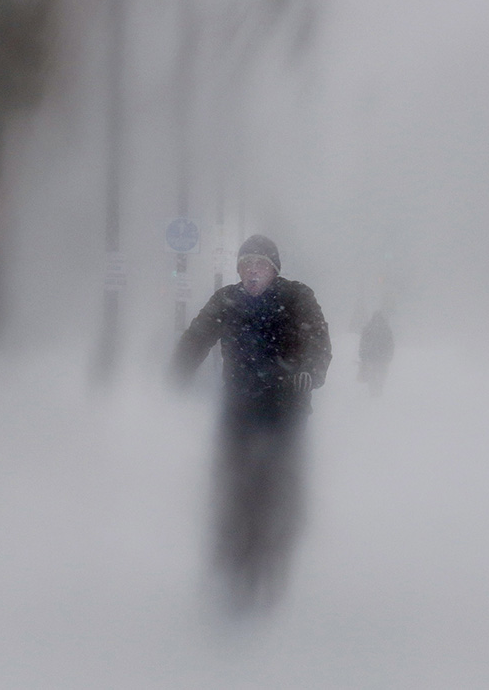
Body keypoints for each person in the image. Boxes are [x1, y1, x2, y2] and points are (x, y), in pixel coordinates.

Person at [169, 234, 331, 614]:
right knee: (232, 474)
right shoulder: (227, 300)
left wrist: (309, 371)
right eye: (245, 266)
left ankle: (281, 532)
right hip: (239, 404)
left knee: (280, 474)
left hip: (285, 404)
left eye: (259, 266)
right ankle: (229, 543)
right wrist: (178, 371)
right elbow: (197, 336)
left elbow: (319, 343)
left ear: (274, 270)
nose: (252, 273)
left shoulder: (297, 298)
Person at [358, 310, 394, 396]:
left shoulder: (368, 328)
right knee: (381, 373)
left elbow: (363, 343)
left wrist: (363, 356)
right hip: (382, 357)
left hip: (371, 357)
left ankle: (373, 389)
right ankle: (379, 388)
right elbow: (390, 344)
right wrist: (389, 356)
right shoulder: (386, 329)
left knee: (372, 374)